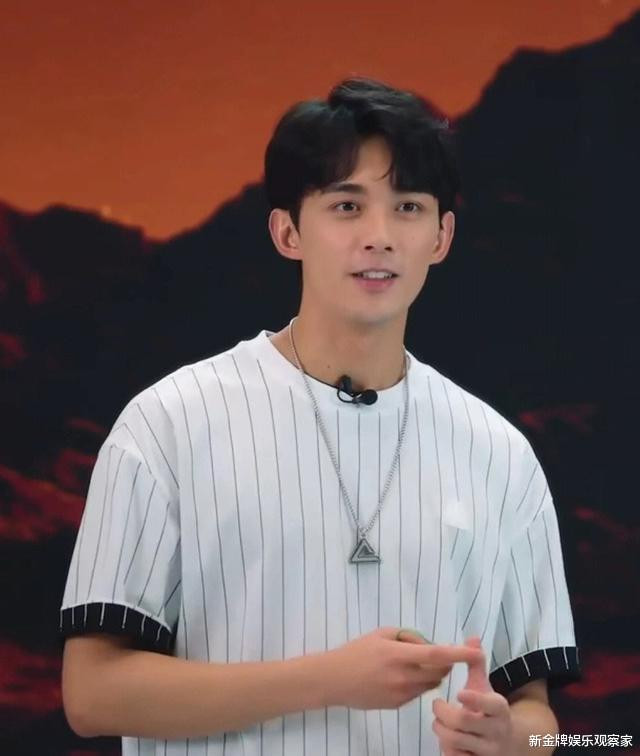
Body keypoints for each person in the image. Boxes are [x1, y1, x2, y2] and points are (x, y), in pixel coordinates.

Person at [59, 77, 580, 755]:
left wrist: (511, 737)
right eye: (346, 205)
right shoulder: (167, 426)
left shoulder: (500, 454)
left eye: (409, 207)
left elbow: (539, 717)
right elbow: (93, 694)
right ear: (288, 231)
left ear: (442, 236)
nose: (379, 237)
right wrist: (329, 679)